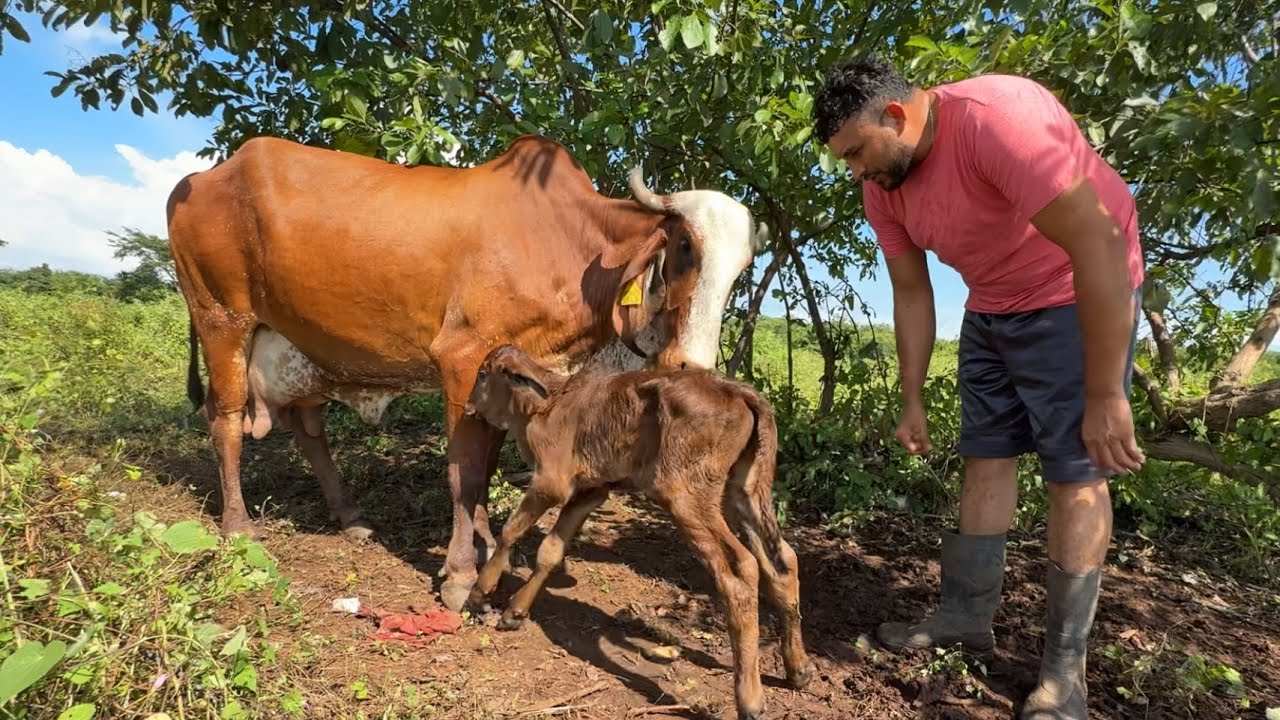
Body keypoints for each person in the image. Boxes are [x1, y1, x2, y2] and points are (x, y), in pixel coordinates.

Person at [811, 54, 1146, 719]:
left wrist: (1106, 393)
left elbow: (1100, 245)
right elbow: (910, 292)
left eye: (857, 151)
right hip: (992, 307)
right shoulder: (884, 185)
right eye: (844, 160)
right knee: (986, 459)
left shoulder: (998, 121)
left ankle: (1063, 674)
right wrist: (910, 398)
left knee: (1073, 476)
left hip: (1075, 293)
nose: (855, 170)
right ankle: (965, 619)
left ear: (896, 115)